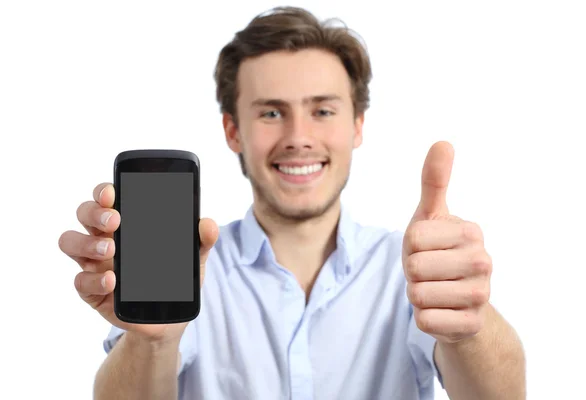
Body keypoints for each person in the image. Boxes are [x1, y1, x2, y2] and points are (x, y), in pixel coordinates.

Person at [58, 6, 526, 400]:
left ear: (357, 125)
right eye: (271, 112)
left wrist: (472, 327)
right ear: (233, 131)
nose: (299, 138)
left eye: (322, 110)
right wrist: (151, 341)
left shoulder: (414, 269)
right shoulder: (192, 272)